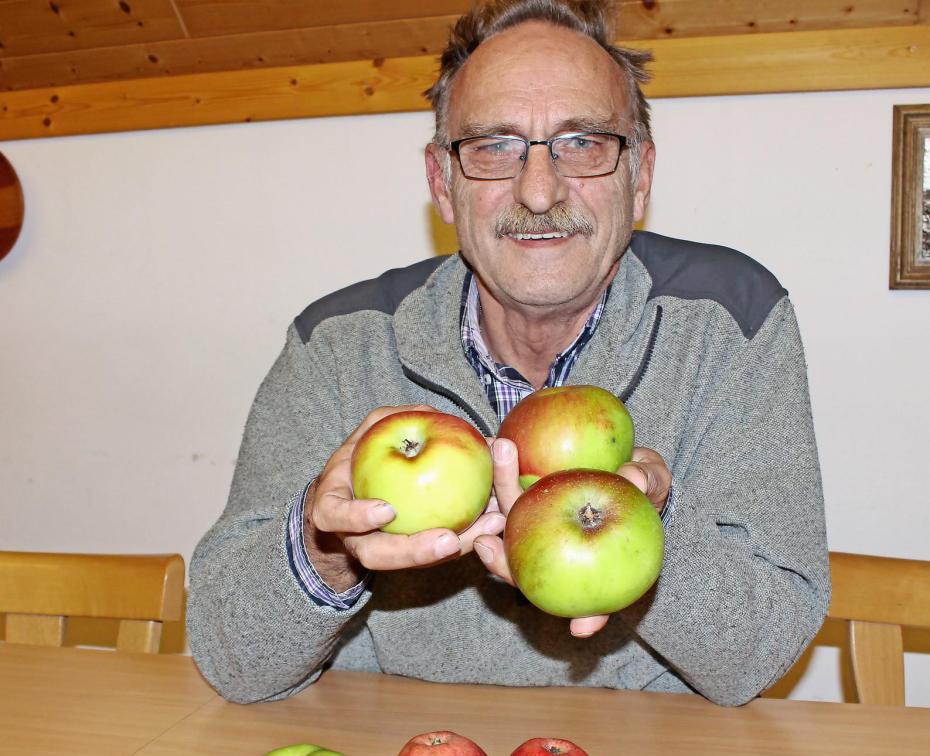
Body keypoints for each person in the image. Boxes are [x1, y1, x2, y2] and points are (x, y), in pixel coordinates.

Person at [188, 0, 830, 708]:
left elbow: (763, 653)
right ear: (442, 182)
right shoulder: (337, 344)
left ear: (639, 175)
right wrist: (321, 548)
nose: (538, 189)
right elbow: (230, 658)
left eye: (582, 142)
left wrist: (656, 525)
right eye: (495, 146)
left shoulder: (731, 322)